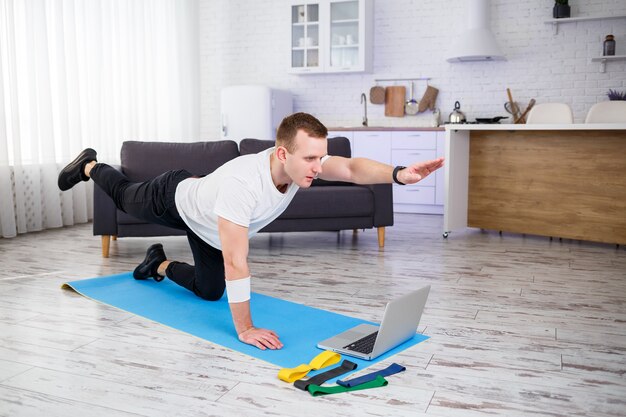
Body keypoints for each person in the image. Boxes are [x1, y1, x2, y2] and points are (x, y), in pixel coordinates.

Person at [58, 112, 444, 351]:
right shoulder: (244, 186)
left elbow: (352, 169)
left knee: (209, 292)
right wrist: (245, 328)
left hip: (208, 222)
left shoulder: (300, 166)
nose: (316, 166)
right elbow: (236, 262)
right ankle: (91, 165)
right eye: (310, 158)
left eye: (318, 157)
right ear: (282, 154)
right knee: (125, 197)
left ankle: (156, 264)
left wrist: (399, 175)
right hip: (174, 197)